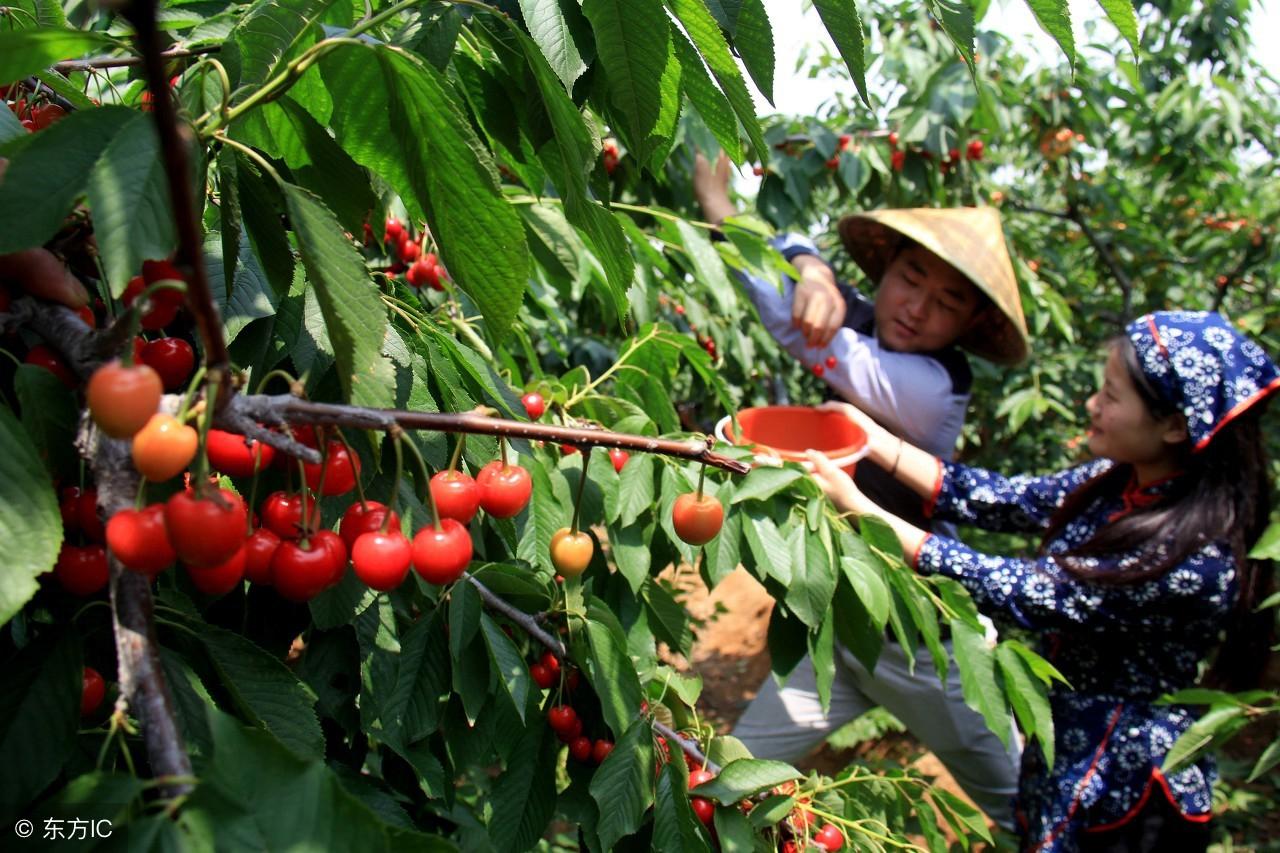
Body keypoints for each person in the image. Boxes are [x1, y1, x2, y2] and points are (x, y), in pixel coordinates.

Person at [805, 310, 1278, 852]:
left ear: (1175, 425)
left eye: (1111, 396)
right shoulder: (1118, 480)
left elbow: (1030, 592)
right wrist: (873, 440)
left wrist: (862, 511)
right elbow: (1008, 499)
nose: (1092, 406)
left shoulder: (1195, 556)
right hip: (1066, 741)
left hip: (1126, 782)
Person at [693, 151, 1032, 829]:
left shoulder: (934, 390)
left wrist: (779, 252)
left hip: (925, 643)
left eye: (948, 303)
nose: (918, 308)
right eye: (911, 279)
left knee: (1026, 809)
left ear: (968, 327)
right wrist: (809, 265)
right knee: (732, 782)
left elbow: (807, 337)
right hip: (846, 628)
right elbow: (792, 295)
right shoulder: (865, 317)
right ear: (886, 271)